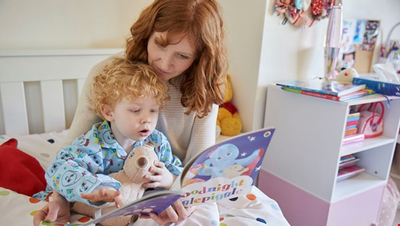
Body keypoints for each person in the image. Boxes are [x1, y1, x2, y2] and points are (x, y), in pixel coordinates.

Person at [34, 0, 228, 225]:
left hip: (170, 184)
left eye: (182, 56)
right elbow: (72, 153)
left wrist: (176, 189)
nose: (165, 63)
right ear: (147, 34)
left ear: (200, 57)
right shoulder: (108, 75)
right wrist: (60, 199)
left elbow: (199, 171)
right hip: (115, 187)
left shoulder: (205, 90)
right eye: (160, 44)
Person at [33, 58, 183, 225]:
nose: (147, 119)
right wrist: (95, 188)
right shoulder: (96, 142)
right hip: (103, 208)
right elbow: (61, 168)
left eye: (153, 110)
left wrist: (169, 178)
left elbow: (179, 172)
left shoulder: (157, 141)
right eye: (135, 110)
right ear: (109, 112)